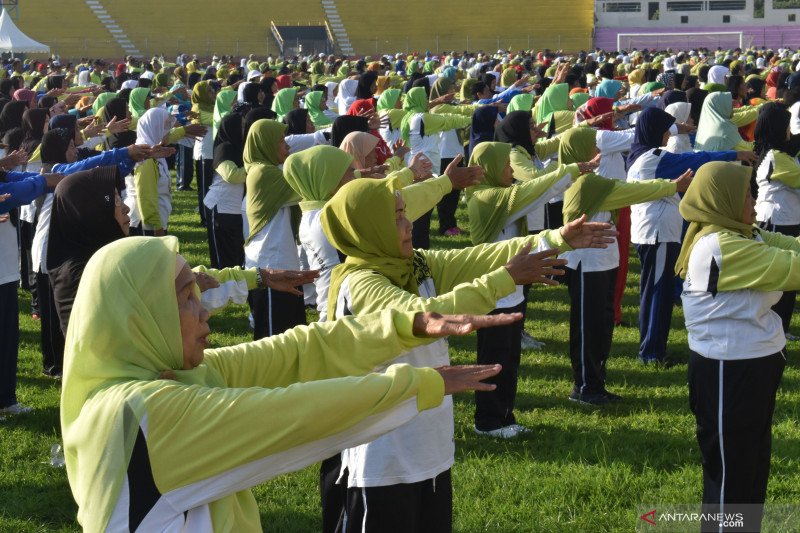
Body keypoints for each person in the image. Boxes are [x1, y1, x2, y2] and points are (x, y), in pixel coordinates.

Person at [60, 235, 512, 532]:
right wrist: (418, 383)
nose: (203, 311)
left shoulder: (168, 379)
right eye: (184, 297)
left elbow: (297, 351)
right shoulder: (138, 413)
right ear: (139, 317)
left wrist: (406, 324)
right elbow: (296, 415)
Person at [320, 177, 615, 531]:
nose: (408, 224)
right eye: (397, 216)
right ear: (368, 226)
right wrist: (505, 279)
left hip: (428, 448)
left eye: (404, 214)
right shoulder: (361, 283)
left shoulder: (414, 264)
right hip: (382, 461)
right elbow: (425, 315)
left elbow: (477, 256)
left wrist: (556, 238)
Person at [677, 161, 791, 532]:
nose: (754, 198)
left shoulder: (741, 233)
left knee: (751, 470)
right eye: (746, 192)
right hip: (729, 371)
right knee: (732, 480)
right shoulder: (721, 246)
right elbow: (793, 265)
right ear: (722, 198)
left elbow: (791, 246)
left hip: (750, 367)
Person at [558, 127, 693, 405]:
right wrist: (671, 186)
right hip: (587, 264)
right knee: (588, 329)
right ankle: (584, 387)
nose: (598, 150)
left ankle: (595, 383)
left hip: (602, 262)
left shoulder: (590, 180)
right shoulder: (586, 184)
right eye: (591, 145)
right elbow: (630, 192)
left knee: (602, 326)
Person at [627, 107, 756, 365]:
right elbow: (699, 159)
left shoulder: (641, 155)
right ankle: (652, 352)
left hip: (652, 232)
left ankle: (651, 348)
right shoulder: (655, 158)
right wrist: (736, 154)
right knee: (657, 294)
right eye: (664, 131)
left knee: (653, 291)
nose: (667, 136)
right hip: (658, 234)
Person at [0, 167, 65, 415]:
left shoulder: (4, 175)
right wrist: (43, 181)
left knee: (8, 340)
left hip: (6, 272)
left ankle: (6, 400)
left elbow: (16, 181)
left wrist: (46, 179)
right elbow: (15, 192)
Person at [753, 103, 800, 339]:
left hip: (786, 219)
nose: (790, 131)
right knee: (778, 276)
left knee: (787, 274)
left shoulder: (776, 153)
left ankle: (781, 325)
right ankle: (774, 325)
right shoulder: (777, 157)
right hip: (777, 221)